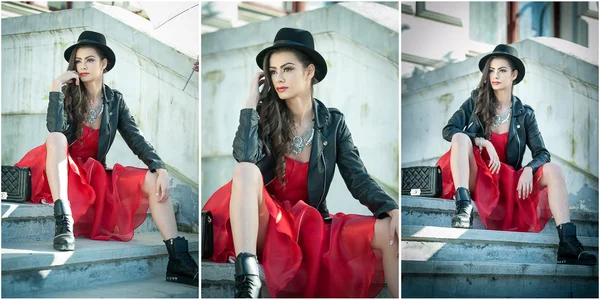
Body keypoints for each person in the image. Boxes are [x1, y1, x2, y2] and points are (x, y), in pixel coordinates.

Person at [202, 27, 400, 298]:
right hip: (264, 223)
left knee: (391, 230)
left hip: (310, 223)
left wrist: (392, 209)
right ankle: (247, 279)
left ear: (309, 72)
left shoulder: (333, 123)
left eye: (287, 69)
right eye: (273, 71)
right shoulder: (263, 115)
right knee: (245, 171)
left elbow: (358, 178)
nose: (278, 78)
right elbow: (245, 158)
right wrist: (250, 105)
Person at [14, 31, 199, 285]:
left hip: (92, 175)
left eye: (90, 60)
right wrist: (56, 88)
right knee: (56, 139)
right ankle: (63, 223)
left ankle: (178, 259)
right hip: (60, 170)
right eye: (78, 61)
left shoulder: (115, 101)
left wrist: (160, 167)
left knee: (153, 178)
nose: (82, 66)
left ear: (104, 64)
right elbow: (54, 128)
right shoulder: (68, 95)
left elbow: (136, 138)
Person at [436, 44, 597, 266]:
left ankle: (568, 242)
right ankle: (463, 208)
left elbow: (542, 153)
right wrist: (481, 141)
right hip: (479, 176)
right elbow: (449, 130)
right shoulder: (475, 101)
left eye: (502, 70)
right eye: (491, 70)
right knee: (461, 138)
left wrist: (529, 169)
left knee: (554, 170)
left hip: (506, 183)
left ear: (514, 75)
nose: (495, 75)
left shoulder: (525, 113)